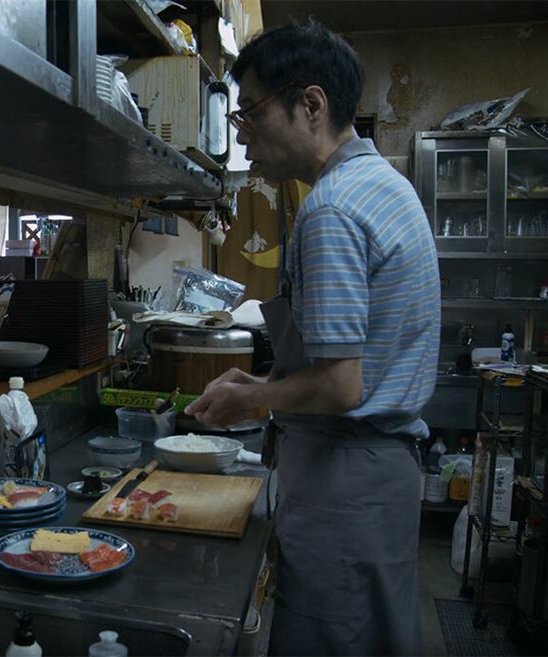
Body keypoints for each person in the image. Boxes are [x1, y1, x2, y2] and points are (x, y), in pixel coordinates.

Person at [184, 20, 439, 656]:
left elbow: (340, 385)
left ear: (312, 105)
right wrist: (261, 382)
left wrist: (250, 399)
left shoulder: (331, 210)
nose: (242, 134)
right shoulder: (383, 185)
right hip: (380, 476)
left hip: (345, 482)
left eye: (251, 113)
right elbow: (360, 357)